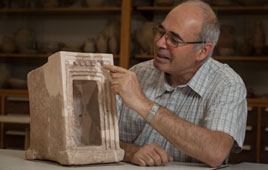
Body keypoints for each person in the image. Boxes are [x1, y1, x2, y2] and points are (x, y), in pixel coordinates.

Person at [104, 0, 247, 168]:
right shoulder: (139, 73)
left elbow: (215, 153)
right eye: (160, 32)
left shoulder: (227, 84)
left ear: (203, 51)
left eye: (174, 39)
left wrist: (144, 105)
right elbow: (98, 139)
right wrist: (131, 152)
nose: (159, 43)